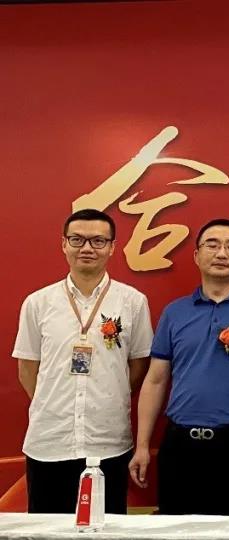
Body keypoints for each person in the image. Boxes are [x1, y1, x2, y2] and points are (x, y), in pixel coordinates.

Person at [133, 219, 229, 515]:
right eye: (212, 245)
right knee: (174, 534)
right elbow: (155, 381)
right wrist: (142, 445)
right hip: (180, 444)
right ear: (196, 255)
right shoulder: (175, 312)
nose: (221, 253)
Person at [13, 209, 152, 514]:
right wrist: (52, 403)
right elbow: (27, 368)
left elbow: (139, 364)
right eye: (77, 240)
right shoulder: (38, 303)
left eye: (98, 241)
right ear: (64, 244)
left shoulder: (132, 301)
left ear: (112, 247)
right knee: (47, 535)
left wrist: (108, 395)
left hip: (108, 442)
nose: (87, 248)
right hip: (49, 442)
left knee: (106, 533)